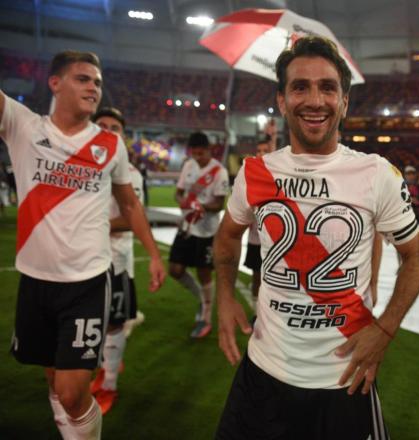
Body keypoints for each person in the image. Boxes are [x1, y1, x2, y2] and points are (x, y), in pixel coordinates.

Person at [213, 36, 419, 440]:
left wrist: (385, 329)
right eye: (300, 87)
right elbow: (226, 239)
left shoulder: (376, 173)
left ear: (344, 101)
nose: (315, 100)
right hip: (263, 374)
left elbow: (416, 256)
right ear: (281, 100)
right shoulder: (256, 172)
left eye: (328, 87)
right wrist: (224, 297)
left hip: (344, 380)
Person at [0, 50, 165, 439]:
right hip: (35, 280)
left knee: (73, 393)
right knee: (55, 383)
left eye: (97, 82)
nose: (93, 87)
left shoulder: (110, 144)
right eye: (83, 79)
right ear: (55, 83)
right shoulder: (23, 126)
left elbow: (129, 203)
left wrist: (154, 253)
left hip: (87, 282)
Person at [87, 107, 143, 414]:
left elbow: (132, 218)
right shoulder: (82, 168)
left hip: (116, 262)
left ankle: (109, 385)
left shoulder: (131, 174)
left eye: (115, 128)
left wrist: (91, 223)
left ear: (122, 137)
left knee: (114, 324)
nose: (108, 132)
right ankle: (107, 366)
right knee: (91, 323)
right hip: (83, 261)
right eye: (102, 126)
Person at [169, 131, 229, 338]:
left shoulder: (219, 171)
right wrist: (183, 202)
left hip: (207, 232)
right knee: (175, 270)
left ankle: (205, 318)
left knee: (204, 273)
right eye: (194, 153)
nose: (197, 157)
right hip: (187, 226)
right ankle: (202, 301)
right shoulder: (188, 165)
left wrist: (200, 206)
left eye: (201, 153)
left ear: (209, 149)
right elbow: (178, 193)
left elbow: (220, 203)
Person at [243, 135, 273, 303]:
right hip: (256, 238)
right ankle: (256, 315)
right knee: (256, 276)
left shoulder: (281, 175)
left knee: (274, 281)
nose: (261, 154)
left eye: (266, 151)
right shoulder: (249, 175)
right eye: (259, 151)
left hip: (277, 239)